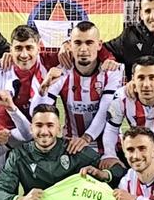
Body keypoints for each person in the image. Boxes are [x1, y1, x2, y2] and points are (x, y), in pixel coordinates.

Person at [32, 21, 123, 154]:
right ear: (70, 45)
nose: (83, 49)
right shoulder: (61, 72)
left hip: (107, 146)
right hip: (71, 145)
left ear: (99, 45)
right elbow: (36, 113)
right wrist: (43, 88)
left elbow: (105, 111)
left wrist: (86, 138)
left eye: (89, 43)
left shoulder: (112, 71)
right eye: (78, 43)